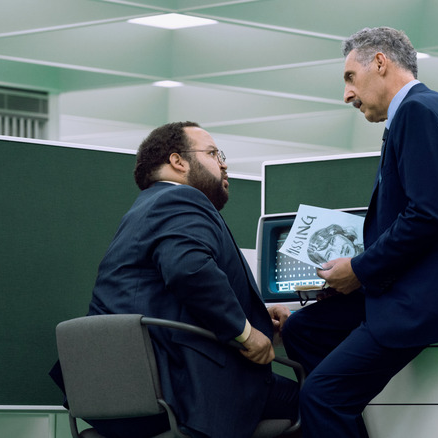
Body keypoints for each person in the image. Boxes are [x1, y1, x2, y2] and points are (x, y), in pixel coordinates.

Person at [281, 27, 438, 438]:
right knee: (304, 329)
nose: (347, 95)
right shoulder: (433, 110)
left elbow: (428, 215)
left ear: (381, 63)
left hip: (435, 299)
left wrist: (359, 269)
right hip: (426, 287)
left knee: (322, 396)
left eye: (350, 78)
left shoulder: (418, 113)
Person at [52, 121, 299, 438]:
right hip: (186, 393)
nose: (223, 163)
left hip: (121, 396)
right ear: (178, 161)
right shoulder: (181, 199)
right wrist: (245, 333)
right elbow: (189, 270)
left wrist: (260, 321)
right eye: (212, 153)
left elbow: (170, 301)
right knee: (321, 400)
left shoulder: (144, 209)